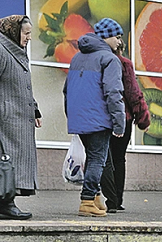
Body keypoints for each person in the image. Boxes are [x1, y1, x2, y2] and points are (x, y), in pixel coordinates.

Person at [63, 18, 125, 217]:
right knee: (97, 159)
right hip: (99, 118)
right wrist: (119, 123)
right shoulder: (110, 59)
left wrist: (71, 115)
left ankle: (96, 198)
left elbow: (67, 90)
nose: (119, 42)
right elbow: (113, 93)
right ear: (107, 37)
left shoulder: (76, 58)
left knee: (92, 159)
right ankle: (87, 200)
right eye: (117, 36)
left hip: (80, 118)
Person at [100, 38, 150, 212]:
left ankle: (104, 198)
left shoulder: (97, 61)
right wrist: (143, 118)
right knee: (118, 159)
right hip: (123, 118)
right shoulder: (124, 64)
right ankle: (115, 200)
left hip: (100, 118)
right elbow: (133, 93)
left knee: (102, 159)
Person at [0, 15, 41, 220]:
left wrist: (34, 109)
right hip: (6, 119)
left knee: (12, 162)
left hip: (16, 118)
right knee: (7, 162)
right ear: (14, 32)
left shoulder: (16, 51)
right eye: (26, 33)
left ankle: (6, 202)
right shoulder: (1, 50)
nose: (29, 37)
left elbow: (22, 85)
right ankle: (6, 204)